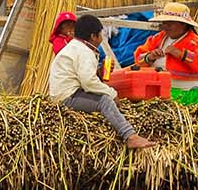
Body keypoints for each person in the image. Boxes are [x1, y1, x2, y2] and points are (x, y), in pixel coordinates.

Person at [48, 13, 155, 150]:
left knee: (104, 94)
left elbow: (84, 77)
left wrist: (99, 72)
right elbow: (88, 82)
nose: (101, 38)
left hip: (68, 92)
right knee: (105, 100)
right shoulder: (84, 51)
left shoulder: (77, 47)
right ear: (93, 36)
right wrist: (112, 93)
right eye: (100, 34)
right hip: (67, 97)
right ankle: (130, 136)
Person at [133, 2, 198, 85]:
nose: (166, 26)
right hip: (158, 88)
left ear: (183, 24)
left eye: (171, 23)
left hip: (186, 91)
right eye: (164, 23)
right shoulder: (157, 38)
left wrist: (180, 54)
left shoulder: (194, 42)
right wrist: (150, 56)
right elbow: (138, 58)